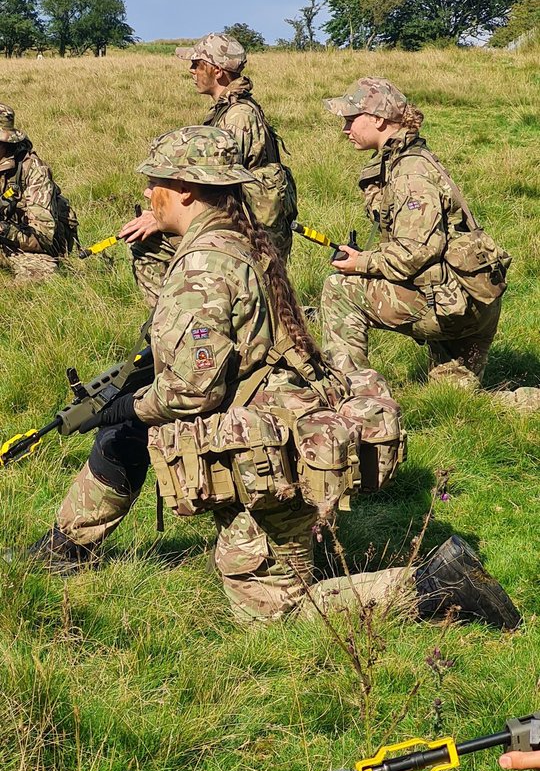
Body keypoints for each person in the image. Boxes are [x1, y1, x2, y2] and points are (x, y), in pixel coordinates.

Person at [16, 127, 520, 630]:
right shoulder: (244, 239)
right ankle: (69, 545)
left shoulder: (204, 264)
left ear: (187, 189)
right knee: (131, 440)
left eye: (156, 183)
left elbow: (192, 391)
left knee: (269, 617)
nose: (149, 194)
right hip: (291, 430)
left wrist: (124, 408)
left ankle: (437, 587)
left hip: (272, 455)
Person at [320, 78, 508, 388]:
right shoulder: (412, 158)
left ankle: (353, 396)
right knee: (457, 403)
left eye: (351, 119)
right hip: (471, 300)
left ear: (379, 119)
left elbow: (415, 251)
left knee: (340, 289)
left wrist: (361, 264)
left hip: (449, 304)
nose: (344, 128)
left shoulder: (409, 172)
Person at [119, 33, 296, 307]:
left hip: (246, 231)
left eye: (196, 64)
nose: (191, 71)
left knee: (149, 246)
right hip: (244, 225)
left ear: (217, 70)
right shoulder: (231, 110)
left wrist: (162, 218)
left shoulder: (238, 117)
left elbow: (221, 190)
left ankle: (181, 318)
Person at [0, 103, 78, 283]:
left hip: (30, 245)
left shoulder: (33, 170)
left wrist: (3, 229)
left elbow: (44, 238)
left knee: (41, 274)